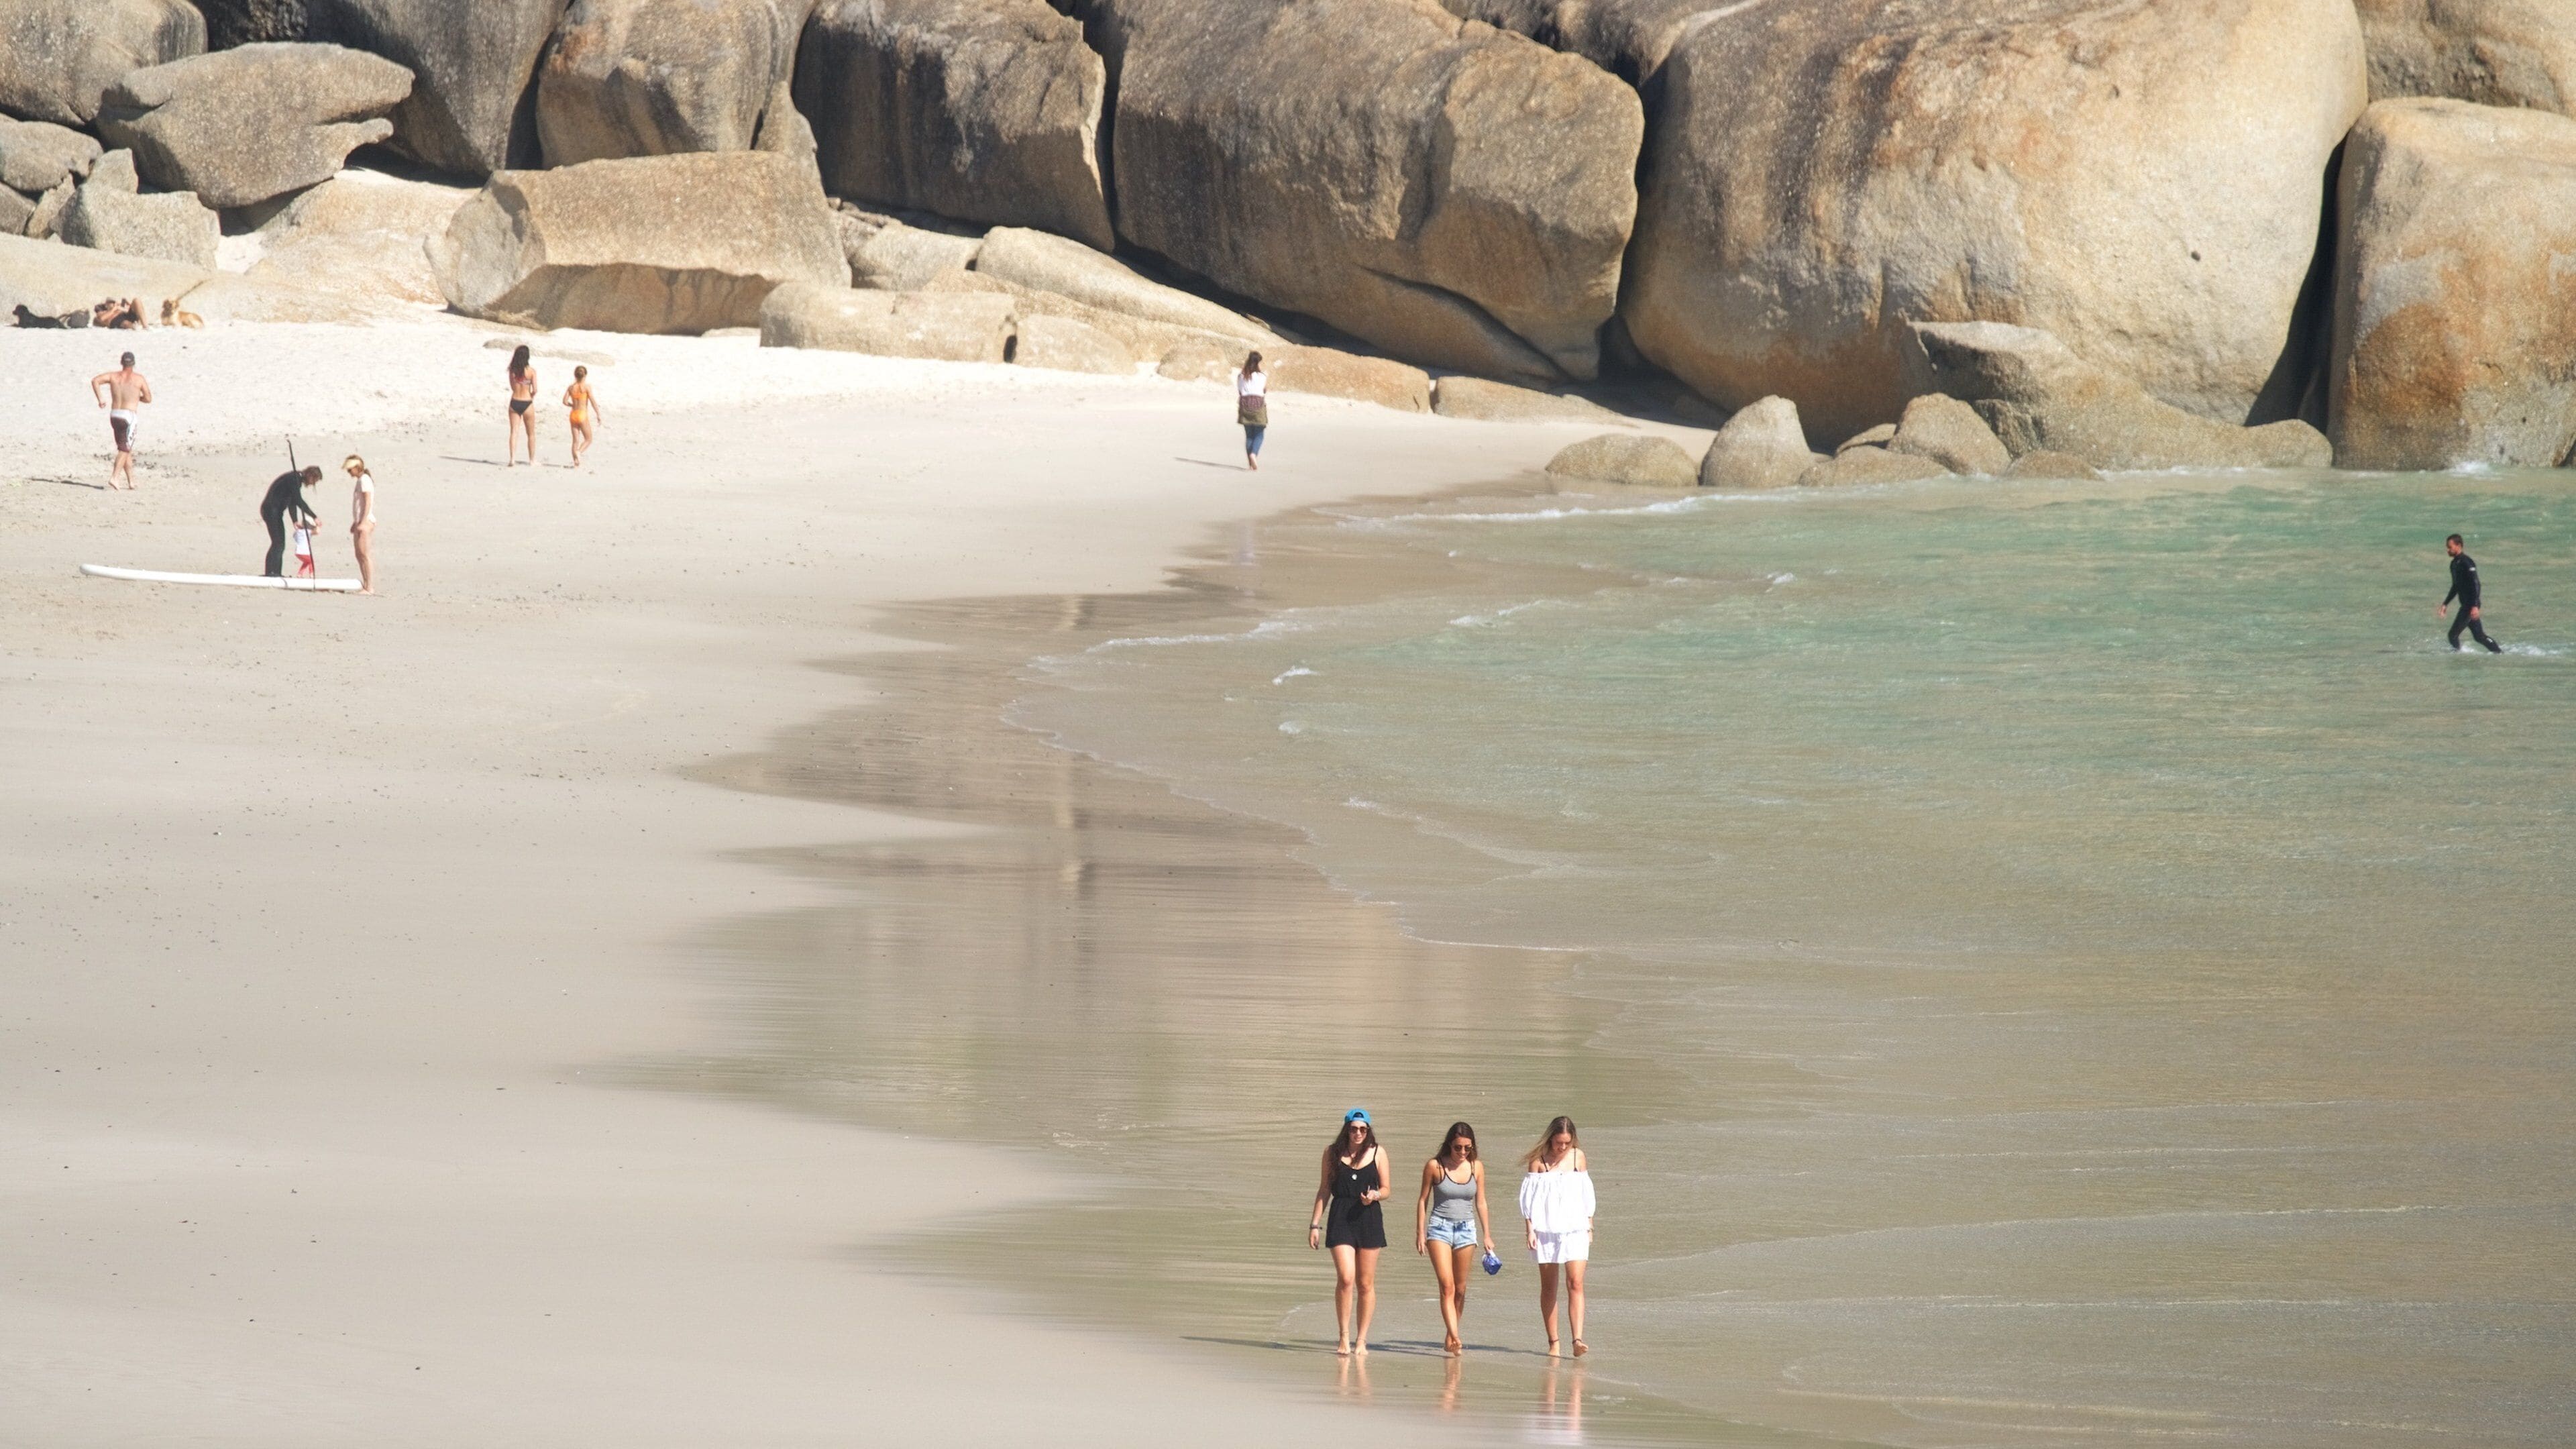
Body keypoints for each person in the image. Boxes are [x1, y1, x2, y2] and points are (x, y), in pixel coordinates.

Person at [1307, 1108, 1390, 1356]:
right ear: (1347, 1129)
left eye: (1363, 1129)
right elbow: (1324, 1190)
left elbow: (1386, 1189)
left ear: (1369, 1131)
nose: (1358, 1133)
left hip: (1369, 1218)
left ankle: (1362, 1339)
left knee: (1365, 1283)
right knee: (1346, 1278)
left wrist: (1375, 1195)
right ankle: (1344, 1337)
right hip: (1341, 1217)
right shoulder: (1331, 1153)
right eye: (1354, 1128)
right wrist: (1314, 1225)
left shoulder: (1378, 1152)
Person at [1518, 1115, 1595, 1357]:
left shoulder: (1577, 1157)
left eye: (1567, 1143)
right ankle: (1554, 1342)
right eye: (1558, 1143)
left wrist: (1589, 1224)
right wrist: (1529, 1229)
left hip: (1575, 1228)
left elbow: (1586, 1193)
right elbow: (1528, 1200)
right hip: (1545, 1230)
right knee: (1549, 1287)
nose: (1562, 1148)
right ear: (1550, 1138)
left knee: (1576, 1283)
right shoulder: (1538, 1161)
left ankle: (1577, 1340)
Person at [1416, 1120, 1494, 1355]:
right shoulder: (1435, 1166)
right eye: (1458, 1147)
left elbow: (1481, 1201)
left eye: (1467, 1148)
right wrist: (1420, 1232)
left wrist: (1488, 1235)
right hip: (1439, 1228)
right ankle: (1457, 1337)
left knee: (1461, 1289)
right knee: (1447, 1287)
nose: (1462, 1153)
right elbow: (1423, 1201)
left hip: (1466, 1229)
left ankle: (1450, 1336)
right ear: (1449, 1145)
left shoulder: (1476, 1167)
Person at [89, 352, 152, 490]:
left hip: (115, 415)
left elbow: (95, 380)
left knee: (125, 447)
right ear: (134, 364)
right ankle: (115, 477)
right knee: (125, 448)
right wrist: (136, 397)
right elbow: (148, 398)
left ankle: (131, 481)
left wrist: (101, 399)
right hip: (129, 416)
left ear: (121, 363)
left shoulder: (114, 376)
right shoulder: (139, 379)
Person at [2440, 533, 2501, 653]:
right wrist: (2445, 604)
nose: (2448, 550)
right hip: (2466, 605)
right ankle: (2499, 653)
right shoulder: (2454, 564)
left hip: (2470, 606)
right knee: (2479, 637)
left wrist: (2474, 606)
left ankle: (2457, 656)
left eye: (2450, 547)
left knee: (2453, 635)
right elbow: (2455, 587)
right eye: (2447, 547)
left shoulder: (2467, 562)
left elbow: (2476, 584)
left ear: (2459, 546)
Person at [260, 466, 321, 578]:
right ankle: (273, 573)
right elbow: (298, 500)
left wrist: (295, 520)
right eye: (314, 481)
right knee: (279, 543)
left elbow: (292, 501)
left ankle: (272, 572)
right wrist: (314, 516)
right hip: (271, 511)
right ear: (310, 475)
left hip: (274, 512)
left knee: (278, 543)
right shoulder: (294, 479)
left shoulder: (295, 480)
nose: (313, 484)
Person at [345, 455, 377, 595]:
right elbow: (360, 505)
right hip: (360, 521)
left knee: (364, 554)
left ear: (357, 468)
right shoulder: (361, 480)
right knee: (359, 555)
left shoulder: (364, 480)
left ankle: (369, 587)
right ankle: (365, 584)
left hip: (366, 521)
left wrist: (363, 521)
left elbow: (368, 501)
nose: (349, 473)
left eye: (350, 469)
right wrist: (355, 522)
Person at [563, 365, 602, 468]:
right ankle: (579, 452)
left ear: (575, 375)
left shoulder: (571, 388)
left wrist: (572, 405)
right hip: (582, 414)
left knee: (575, 440)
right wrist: (598, 414)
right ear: (585, 375)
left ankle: (576, 463)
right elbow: (593, 402)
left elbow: (565, 402)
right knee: (589, 439)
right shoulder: (586, 387)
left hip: (573, 415)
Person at [506, 345, 539, 466]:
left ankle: (512, 459)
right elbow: (535, 390)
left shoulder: (512, 371)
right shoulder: (531, 372)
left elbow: (512, 387)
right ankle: (532, 460)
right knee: (530, 433)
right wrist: (530, 396)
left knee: (514, 432)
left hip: (515, 401)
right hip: (527, 402)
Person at [1237, 352, 1269, 471]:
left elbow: (1240, 391)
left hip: (1245, 405)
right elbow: (1264, 390)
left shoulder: (1241, 376)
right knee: (1259, 433)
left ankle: (1250, 465)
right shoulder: (1262, 376)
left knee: (1249, 435)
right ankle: (1253, 454)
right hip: (1258, 405)